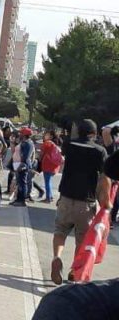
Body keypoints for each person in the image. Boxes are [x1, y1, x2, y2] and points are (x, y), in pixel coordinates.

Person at [50, 119, 111, 286]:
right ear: (93, 133)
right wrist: (106, 202)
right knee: (82, 239)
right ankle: (73, 270)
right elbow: (105, 178)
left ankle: (57, 257)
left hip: (66, 197)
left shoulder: (69, 145)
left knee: (60, 231)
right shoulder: (100, 151)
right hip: (86, 201)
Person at [12, 127, 37, 206]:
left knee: (22, 183)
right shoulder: (25, 142)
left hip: (23, 165)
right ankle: (18, 199)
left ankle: (22, 200)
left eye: (21, 133)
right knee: (19, 183)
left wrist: (21, 165)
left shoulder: (27, 143)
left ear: (25, 135)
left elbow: (25, 156)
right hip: (20, 164)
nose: (20, 134)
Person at [39, 130, 63, 203]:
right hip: (54, 165)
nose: (44, 135)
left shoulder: (47, 143)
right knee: (49, 181)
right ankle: (50, 196)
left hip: (47, 165)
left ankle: (48, 198)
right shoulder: (55, 144)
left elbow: (41, 153)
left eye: (46, 134)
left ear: (51, 136)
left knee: (47, 182)